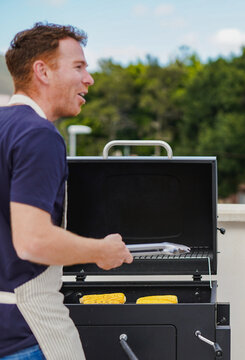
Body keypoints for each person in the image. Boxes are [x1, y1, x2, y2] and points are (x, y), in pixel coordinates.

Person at [0, 23, 133, 360]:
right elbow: (32, 241)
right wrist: (100, 251)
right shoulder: (38, 135)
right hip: (27, 335)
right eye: (79, 66)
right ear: (42, 71)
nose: (88, 78)